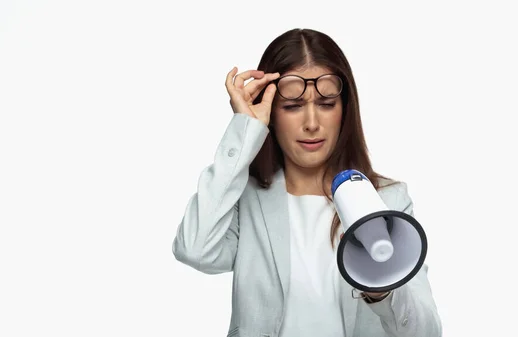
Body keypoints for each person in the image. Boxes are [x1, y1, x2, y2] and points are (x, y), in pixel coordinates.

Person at [172, 28, 442, 337]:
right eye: (292, 106)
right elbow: (194, 249)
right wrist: (244, 131)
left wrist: (383, 289)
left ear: (345, 110)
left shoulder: (387, 201)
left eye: (327, 103)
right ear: (271, 112)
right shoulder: (244, 200)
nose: (312, 123)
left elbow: (426, 333)